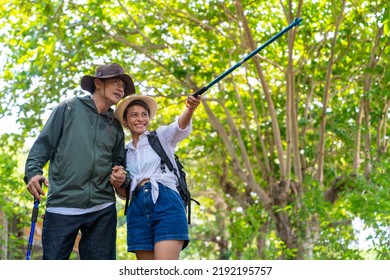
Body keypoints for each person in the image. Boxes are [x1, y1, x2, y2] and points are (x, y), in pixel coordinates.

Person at [24, 63, 134, 260]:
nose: (121, 88)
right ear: (98, 83)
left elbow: (120, 165)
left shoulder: (116, 126)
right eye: (116, 82)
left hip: (102, 208)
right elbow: (42, 146)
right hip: (63, 205)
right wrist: (33, 173)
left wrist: (121, 177)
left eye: (123, 86)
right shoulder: (68, 108)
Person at [111, 93, 201, 260]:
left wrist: (190, 108)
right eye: (134, 115)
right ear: (125, 122)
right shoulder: (124, 153)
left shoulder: (160, 137)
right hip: (136, 210)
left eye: (144, 114)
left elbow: (179, 127)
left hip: (166, 203)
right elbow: (123, 194)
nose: (140, 119)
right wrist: (118, 182)